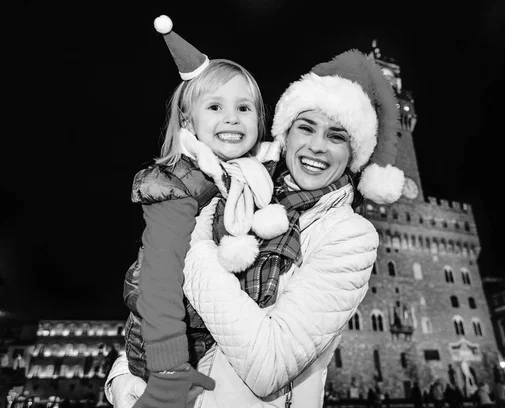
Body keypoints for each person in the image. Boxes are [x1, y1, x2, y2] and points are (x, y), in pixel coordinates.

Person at [106, 48, 406, 407]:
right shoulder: (249, 192)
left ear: (354, 153)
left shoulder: (351, 236)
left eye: (337, 136)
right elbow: (159, 300)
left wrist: (194, 240)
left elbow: (269, 369)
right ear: (285, 134)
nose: (316, 146)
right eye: (306, 128)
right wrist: (125, 379)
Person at [123, 15, 285, 408]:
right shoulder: (179, 185)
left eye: (244, 107)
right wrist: (167, 373)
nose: (232, 117)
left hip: (210, 343)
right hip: (169, 352)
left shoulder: (247, 178)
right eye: (215, 106)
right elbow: (158, 281)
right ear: (187, 119)